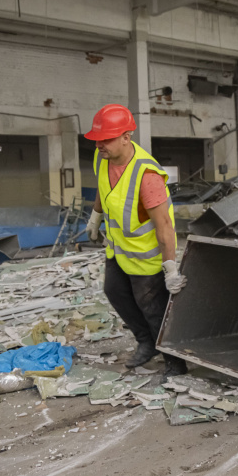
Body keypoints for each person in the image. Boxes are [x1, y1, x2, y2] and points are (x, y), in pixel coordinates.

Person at [83, 104, 188, 380]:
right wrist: (95, 216)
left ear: (126, 138)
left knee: (153, 309)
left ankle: (175, 361)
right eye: (97, 139)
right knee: (115, 293)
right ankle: (146, 343)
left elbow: (164, 226)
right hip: (118, 250)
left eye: (105, 139)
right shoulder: (101, 158)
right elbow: (103, 188)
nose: (99, 145)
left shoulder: (147, 176)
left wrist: (171, 268)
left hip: (146, 257)